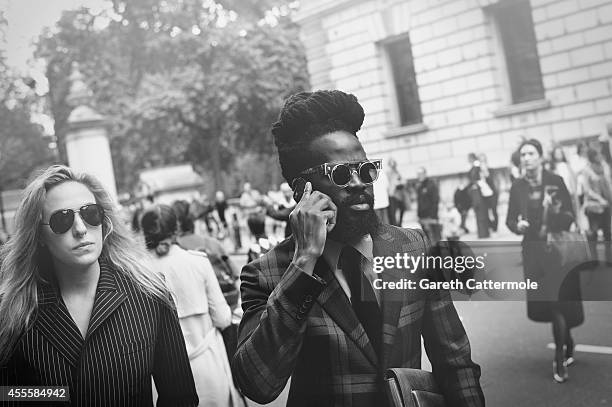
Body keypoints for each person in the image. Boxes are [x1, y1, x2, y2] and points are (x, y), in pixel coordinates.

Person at [232, 90, 484, 406]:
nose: (358, 183)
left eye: (366, 170)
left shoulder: (414, 248)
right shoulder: (268, 272)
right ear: (302, 190)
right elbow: (257, 384)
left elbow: (456, 363)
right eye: (340, 173)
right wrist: (304, 261)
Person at [0, 165, 198, 406]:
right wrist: (59, 395)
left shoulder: (149, 293)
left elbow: (180, 397)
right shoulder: (17, 311)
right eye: (62, 220)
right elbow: (9, 395)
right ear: (40, 236)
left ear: (104, 221)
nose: (81, 229)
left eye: (90, 213)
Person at [142, 205, 244, 407]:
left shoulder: (137, 271)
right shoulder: (198, 262)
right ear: (176, 229)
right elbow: (223, 318)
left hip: (161, 374)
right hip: (207, 362)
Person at [506, 139, 584, 383]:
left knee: (557, 302)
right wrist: (517, 226)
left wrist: (556, 212)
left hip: (557, 252)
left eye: (530, 153)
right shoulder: (517, 186)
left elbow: (570, 215)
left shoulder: (555, 180)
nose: (526, 158)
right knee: (551, 303)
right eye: (523, 154)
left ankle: (559, 359)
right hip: (533, 252)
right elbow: (509, 220)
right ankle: (568, 341)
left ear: (540, 156)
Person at [172, 200, 240, 309]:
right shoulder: (213, 243)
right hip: (227, 304)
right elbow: (235, 274)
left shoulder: (174, 252)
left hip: (199, 309)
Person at [582, 147, 612, 261]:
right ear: (592, 157)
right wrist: (600, 199)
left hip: (607, 205)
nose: (600, 157)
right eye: (597, 155)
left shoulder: (604, 167)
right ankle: (594, 260)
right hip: (594, 207)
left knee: (608, 234)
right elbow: (587, 190)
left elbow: (609, 184)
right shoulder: (587, 170)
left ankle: (609, 259)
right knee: (593, 234)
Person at [416, 167, 441, 244]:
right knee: (427, 239)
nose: (419, 176)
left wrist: (433, 214)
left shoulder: (431, 184)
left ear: (425, 174)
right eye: (418, 174)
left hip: (431, 216)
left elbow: (435, 200)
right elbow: (419, 202)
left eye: (421, 174)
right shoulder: (419, 186)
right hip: (422, 216)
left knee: (435, 237)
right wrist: (418, 214)